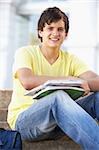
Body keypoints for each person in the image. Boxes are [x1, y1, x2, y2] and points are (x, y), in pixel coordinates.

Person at [7, 7, 99, 150]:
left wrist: (83, 83)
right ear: (40, 32)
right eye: (50, 28)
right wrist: (69, 80)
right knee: (58, 97)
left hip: (61, 124)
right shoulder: (25, 52)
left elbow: (97, 81)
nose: (55, 33)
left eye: (60, 29)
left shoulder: (71, 59)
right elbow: (27, 80)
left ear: (66, 34)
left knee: (97, 98)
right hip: (26, 123)